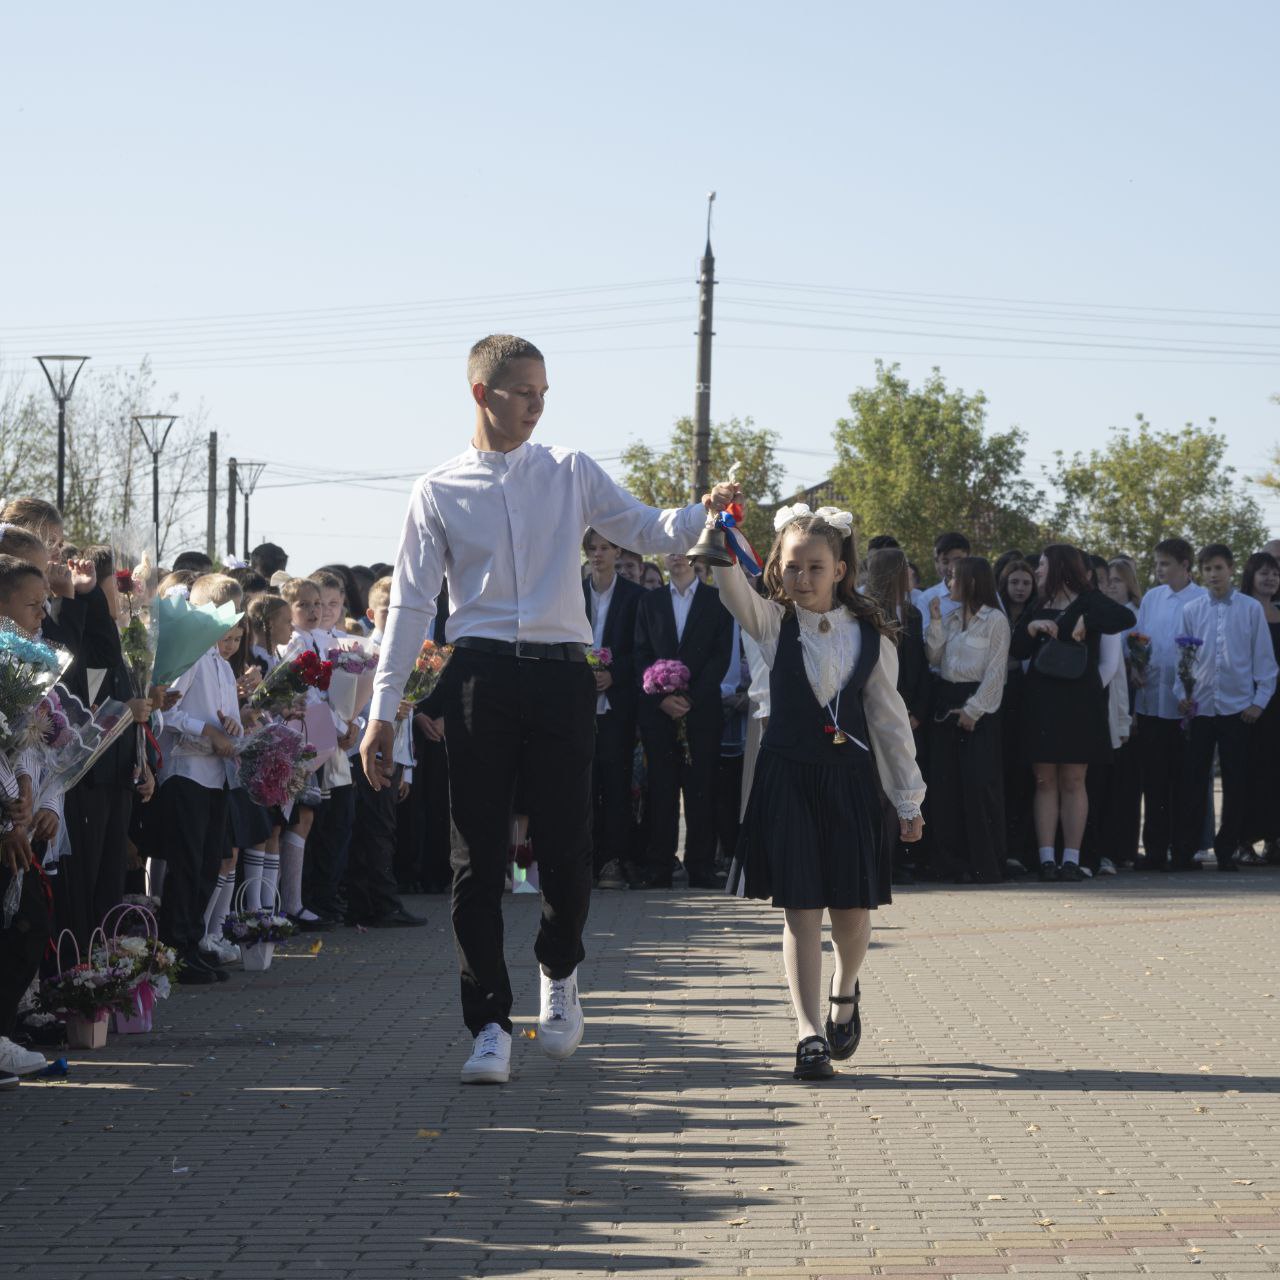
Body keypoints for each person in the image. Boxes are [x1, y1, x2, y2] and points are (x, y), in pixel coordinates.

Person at [361, 333, 737, 1086]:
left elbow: (646, 527)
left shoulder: (569, 470)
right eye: (522, 390)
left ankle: (559, 970)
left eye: (544, 391)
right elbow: (409, 604)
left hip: (566, 675)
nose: (537, 403)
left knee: (569, 845)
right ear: (481, 394)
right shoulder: (437, 489)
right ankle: (489, 1024)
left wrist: (703, 515)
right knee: (478, 859)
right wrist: (384, 709)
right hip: (478, 676)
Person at [712, 504, 924, 1080]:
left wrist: (908, 798)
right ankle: (808, 1033)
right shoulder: (771, 623)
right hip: (788, 779)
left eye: (814, 567)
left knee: (851, 913)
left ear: (839, 570)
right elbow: (730, 584)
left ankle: (846, 988)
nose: (801, 579)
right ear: (776, 570)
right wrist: (716, 529)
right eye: (791, 568)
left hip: (851, 782)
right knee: (800, 908)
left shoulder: (871, 637)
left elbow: (889, 720)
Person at [1009, 544, 1135, 882]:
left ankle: (1072, 858)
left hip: (1081, 705)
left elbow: (1126, 618)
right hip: (1040, 704)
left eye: (1044, 565)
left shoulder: (1090, 600)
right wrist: (1033, 627)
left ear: (1061, 567)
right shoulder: (1038, 605)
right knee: (1044, 780)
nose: (1037, 571)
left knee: (1074, 780)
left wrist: (1085, 619)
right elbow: (1017, 649)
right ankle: (1046, 858)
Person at [1171, 545, 1277, 872]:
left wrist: (1259, 702)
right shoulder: (1192, 609)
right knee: (1193, 780)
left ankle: (1228, 847)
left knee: (1235, 782)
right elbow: (1182, 659)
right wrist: (1182, 694)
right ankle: (1186, 850)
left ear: (1231, 569)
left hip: (1237, 708)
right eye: (1207, 569)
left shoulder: (1249, 609)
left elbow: (1265, 661)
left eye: (1219, 568)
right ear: (1200, 572)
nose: (1214, 574)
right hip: (1201, 708)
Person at [633, 550, 735, 890]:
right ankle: (659, 865)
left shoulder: (716, 600)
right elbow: (641, 652)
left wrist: (690, 697)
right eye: (670, 551)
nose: (677, 557)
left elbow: (720, 656)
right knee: (661, 789)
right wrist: (662, 697)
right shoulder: (651, 602)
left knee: (700, 789)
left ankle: (700, 864)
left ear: (696, 558)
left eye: (684, 551)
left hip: (701, 710)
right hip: (659, 713)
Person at [925, 557, 1010, 883]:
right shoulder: (950, 616)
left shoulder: (994, 620)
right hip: (947, 700)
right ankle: (949, 862)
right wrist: (934, 621)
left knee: (978, 785)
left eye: (954, 578)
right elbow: (934, 656)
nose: (949, 584)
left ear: (972, 582)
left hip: (979, 707)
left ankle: (985, 863)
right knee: (946, 785)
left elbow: (995, 672)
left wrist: (973, 710)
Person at [1132, 538, 1208, 870]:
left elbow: (1205, 654)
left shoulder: (1202, 599)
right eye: (1157, 563)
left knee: (1186, 781)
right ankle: (1155, 850)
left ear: (1184, 565)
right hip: (1152, 702)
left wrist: (1191, 692)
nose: (1159, 569)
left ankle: (1184, 851)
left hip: (1185, 708)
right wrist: (1136, 665)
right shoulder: (1152, 597)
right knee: (1155, 781)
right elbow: (1139, 638)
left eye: (1165, 563)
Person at [581, 530, 644, 890]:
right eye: (592, 549)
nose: (598, 555)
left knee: (616, 785)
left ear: (618, 550)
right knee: (582, 786)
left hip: (618, 706)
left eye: (605, 548)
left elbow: (641, 648)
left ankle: (613, 861)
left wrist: (613, 675)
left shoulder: (636, 597)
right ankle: (583, 861)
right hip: (579, 705)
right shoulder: (572, 594)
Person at [863, 547, 930, 881]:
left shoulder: (913, 613)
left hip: (908, 711)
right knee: (878, 789)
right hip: (876, 712)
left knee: (902, 785)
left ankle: (898, 859)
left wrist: (916, 710)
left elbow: (920, 666)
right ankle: (879, 859)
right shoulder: (867, 613)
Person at [1239, 551, 1280, 863]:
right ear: (1250, 576)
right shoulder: (1241, 611)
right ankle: (1243, 840)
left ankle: (1273, 839)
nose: (1271, 579)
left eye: (1275, 574)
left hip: (1277, 705)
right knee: (1248, 772)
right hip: (1248, 703)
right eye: (1264, 573)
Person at [997, 558, 1037, 871]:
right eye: (1015, 583)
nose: (1020, 589)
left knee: (1026, 776)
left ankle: (1022, 849)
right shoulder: (995, 613)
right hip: (997, 697)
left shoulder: (1036, 614)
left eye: (1026, 582)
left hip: (1027, 698)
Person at [914, 532, 970, 621]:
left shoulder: (985, 592)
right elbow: (924, 634)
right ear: (937, 563)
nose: (951, 567)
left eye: (958, 561)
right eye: (945, 562)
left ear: (969, 559)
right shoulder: (926, 599)